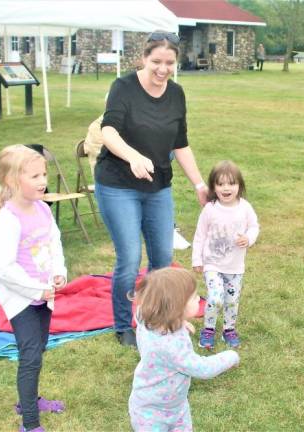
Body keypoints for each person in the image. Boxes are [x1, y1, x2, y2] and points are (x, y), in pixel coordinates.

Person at [95, 31, 209, 348]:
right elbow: (108, 131)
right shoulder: (123, 88)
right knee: (130, 258)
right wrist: (132, 156)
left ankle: (157, 318)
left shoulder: (176, 94)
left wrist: (199, 184)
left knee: (162, 257)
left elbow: (180, 143)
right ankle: (122, 325)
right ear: (143, 58)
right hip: (117, 184)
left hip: (158, 187)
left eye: (169, 62)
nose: (162, 69)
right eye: (156, 61)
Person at [0, 145, 67, 432]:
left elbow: (54, 243)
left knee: (39, 346)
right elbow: (2, 268)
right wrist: (36, 289)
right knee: (30, 356)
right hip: (22, 300)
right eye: (34, 176)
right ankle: (30, 422)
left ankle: (28, 398)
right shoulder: (8, 221)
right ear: (12, 181)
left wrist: (59, 272)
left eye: (43, 174)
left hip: (44, 295)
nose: (43, 181)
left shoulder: (43, 209)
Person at [128, 267, 239, 431]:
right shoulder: (171, 346)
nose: (198, 299)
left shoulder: (147, 317)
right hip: (152, 414)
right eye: (194, 297)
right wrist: (231, 357)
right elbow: (202, 368)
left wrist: (179, 322)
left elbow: (147, 313)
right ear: (175, 308)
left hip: (172, 406)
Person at [191, 161, 259, 350]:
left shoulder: (245, 208)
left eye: (231, 183)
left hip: (235, 267)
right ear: (213, 187)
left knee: (231, 301)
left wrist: (249, 238)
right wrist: (197, 259)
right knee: (216, 297)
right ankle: (208, 330)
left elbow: (254, 226)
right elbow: (200, 235)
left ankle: (229, 330)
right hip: (213, 264)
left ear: (239, 185)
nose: (226, 188)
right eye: (221, 184)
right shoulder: (210, 209)